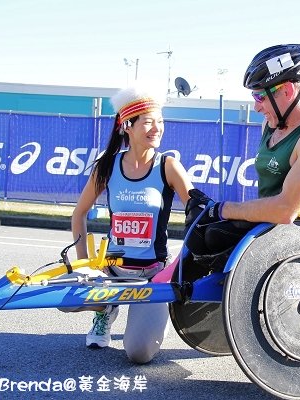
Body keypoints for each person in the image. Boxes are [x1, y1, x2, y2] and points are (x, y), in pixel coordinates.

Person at [185, 44, 300, 264]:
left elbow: (285, 209)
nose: (256, 107)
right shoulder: (270, 126)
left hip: (297, 234)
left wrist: (222, 209)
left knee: (213, 235)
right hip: (270, 229)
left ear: (287, 91)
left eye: (260, 96)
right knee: (199, 230)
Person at [69, 85, 192, 363]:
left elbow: (198, 215)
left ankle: (154, 315)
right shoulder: (107, 166)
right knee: (70, 299)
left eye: (160, 122)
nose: (157, 128)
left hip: (152, 276)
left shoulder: (169, 166)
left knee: (138, 353)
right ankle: (105, 311)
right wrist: (86, 265)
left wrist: (178, 266)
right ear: (127, 125)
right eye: (148, 122)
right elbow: (78, 214)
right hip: (112, 272)